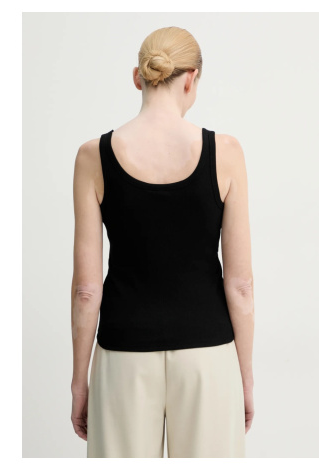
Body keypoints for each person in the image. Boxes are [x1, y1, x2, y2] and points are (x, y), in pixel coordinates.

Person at [70, 26, 255, 458]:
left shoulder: (92, 156)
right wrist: (244, 377)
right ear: (191, 79)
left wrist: (80, 381)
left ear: (138, 77)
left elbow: (86, 290)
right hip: (208, 357)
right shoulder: (226, 152)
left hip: (123, 354)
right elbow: (241, 286)